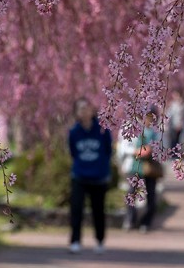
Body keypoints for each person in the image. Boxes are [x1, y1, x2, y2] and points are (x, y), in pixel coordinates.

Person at [68, 97, 113, 254]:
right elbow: (73, 152)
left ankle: (100, 240)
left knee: (98, 210)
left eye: (86, 108)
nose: (84, 111)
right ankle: (75, 241)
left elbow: (108, 151)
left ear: (92, 110)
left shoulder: (102, 130)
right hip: (79, 175)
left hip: (99, 177)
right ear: (77, 113)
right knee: (76, 208)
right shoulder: (74, 132)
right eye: (80, 109)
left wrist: (103, 168)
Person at [118, 108, 162, 233]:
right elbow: (123, 147)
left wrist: (151, 150)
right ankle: (130, 219)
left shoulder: (156, 132)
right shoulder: (132, 128)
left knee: (151, 195)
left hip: (150, 168)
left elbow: (162, 148)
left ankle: (146, 222)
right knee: (131, 193)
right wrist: (136, 152)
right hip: (134, 166)